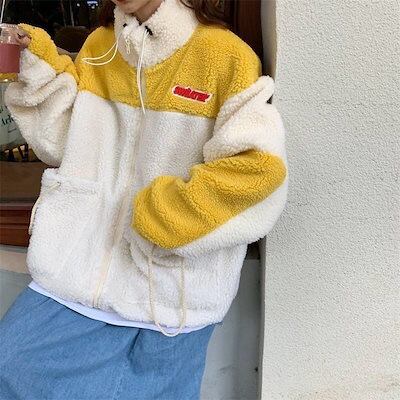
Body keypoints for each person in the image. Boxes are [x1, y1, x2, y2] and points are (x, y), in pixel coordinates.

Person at [0, 0, 289, 398]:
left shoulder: (227, 57)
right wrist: (39, 73)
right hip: (75, 271)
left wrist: (168, 218)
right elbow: (67, 143)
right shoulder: (100, 47)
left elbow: (259, 170)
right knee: (10, 365)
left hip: (166, 292)